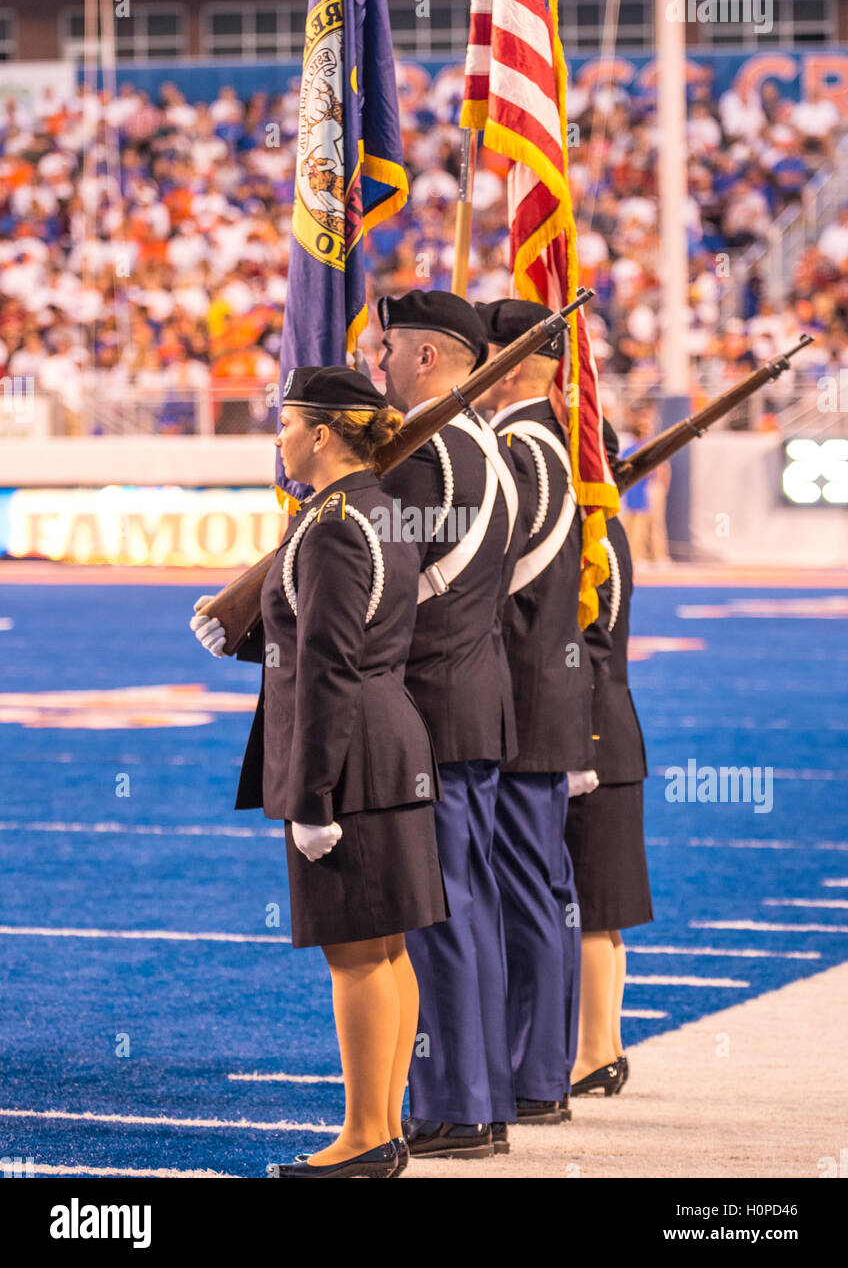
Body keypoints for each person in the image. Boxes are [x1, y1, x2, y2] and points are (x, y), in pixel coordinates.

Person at [190, 365, 448, 1178]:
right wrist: (242, 633)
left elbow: (332, 662)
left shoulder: (334, 522)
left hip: (352, 755)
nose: (279, 437)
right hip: (384, 741)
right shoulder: (370, 508)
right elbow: (325, 632)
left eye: (288, 422)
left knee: (357, 952)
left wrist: (311, 798)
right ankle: (385, 1125)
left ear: (323, 433)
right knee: (385, 947)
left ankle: (364, 1136)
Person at [377, 289, 522, 1159]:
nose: (380, 363)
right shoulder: (486, 449)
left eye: (389, 348)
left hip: (429, 705)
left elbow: (381, 584)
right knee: (468, 907)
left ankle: (456, 1103)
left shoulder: (424, 453)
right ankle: (481, 1096)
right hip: (475, 699)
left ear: (427, 357)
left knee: (438, 912)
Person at [477, 298, 594, 1125]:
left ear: (511, 364)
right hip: (545, 696)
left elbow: (491, 575)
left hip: (519, 697)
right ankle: (542, 1069)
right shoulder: (547, 443)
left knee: (525, 893)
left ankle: (533, 1073)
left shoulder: (519, 449)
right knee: (543, 890)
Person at [566, 420, 653, 1097]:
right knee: (603, 906)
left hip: (591, 735)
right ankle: (606, 1044)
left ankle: (594, 1050)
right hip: (613, 730)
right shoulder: (608, 533)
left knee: (593, 905)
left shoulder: (592, 539)